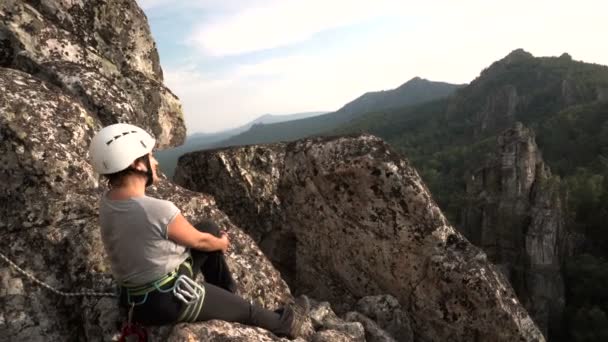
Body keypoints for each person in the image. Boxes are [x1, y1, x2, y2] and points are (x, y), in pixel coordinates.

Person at [89, 123, 309, 339]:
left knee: (208, 227)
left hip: (133, 300)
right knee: (248, 310)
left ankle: (225, 296)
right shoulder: (156, 210)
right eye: (150, 156)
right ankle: (286, 323)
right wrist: (222, 244)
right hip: (167, 300)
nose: (155, 161)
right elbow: (202, 243)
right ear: (138, 164)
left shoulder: (107, 202)